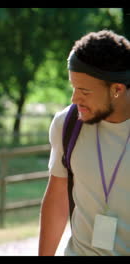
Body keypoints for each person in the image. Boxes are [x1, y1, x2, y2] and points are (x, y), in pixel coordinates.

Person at [39, 30, 130, 256]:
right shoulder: (67, 124)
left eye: (84, 91)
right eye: (73, 87)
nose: (74, 99)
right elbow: (58, 200)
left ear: (117, 89)